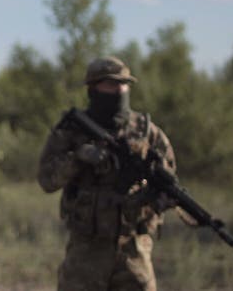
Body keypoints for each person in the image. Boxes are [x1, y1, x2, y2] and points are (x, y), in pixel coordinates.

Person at [38, 56, 184, 291]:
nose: (119, 89)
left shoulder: (147, 131)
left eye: (124, 84)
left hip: (133, 249)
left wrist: (160, 195)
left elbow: (169, 177)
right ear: (93, 88)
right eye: (111, 83)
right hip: (86, 250)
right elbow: (46, 179)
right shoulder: (71, 130)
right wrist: (78, 158)